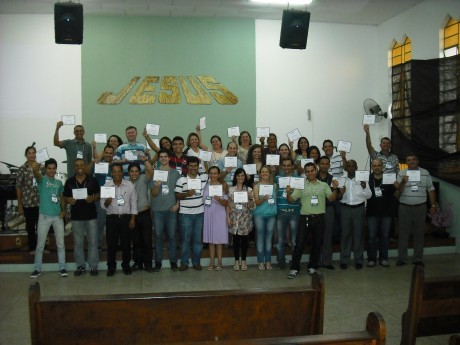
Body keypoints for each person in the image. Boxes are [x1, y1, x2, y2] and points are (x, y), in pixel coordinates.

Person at [286, 162, 339, 278]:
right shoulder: (301, 185)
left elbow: (332, 198)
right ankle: (294, 268)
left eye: (312, 170)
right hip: (304, 218)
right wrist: (288, 192)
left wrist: (335, 189)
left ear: (316, 170)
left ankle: (312, 267)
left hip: (319, 218)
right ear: (305, 173)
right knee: (299, 244)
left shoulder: (324, 185)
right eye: (308, 171)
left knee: (316, 244)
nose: (310, 173)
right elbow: (291, 200)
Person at [396, 153, 436, 267]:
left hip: (420, 207)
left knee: (419, 234)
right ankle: (402, 258)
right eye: (409, 160)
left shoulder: (425, 173)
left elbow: (431, 189)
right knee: (403, 233)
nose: (411, 162)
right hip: (404, 207)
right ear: (406, 162)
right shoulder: (401, 173)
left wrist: (433, 206)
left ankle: (418, 258)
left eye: (413, 159)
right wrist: (403, 182)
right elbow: (398, 192)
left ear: (417, 161)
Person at [30, 158, 67, 278]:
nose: (51, 170)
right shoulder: (41, 180)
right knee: (40, 245)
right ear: (45, 169)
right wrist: (35, 168)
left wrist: (63, 211)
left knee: (60, 244)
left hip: (57, 217)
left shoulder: (59, 183)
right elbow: (36, 174)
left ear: (56, 169)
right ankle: (37, 268)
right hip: (44, 217)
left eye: (53, 168)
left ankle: (62, 268)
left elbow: (61, 197)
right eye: (49, 168)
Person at [63, 159, 100, 276]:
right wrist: (68, 200)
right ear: (74, 167)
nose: (79, 167)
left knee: (93, 242)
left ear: (85, 166)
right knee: (78, 243)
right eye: (77, 165)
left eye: (81, 165)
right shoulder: (69, 181)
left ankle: (93, 266)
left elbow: (99, 195)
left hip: (91, 216)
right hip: (76, 217)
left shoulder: (92, 180)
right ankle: (80, 266)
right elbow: (65, 197)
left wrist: (93, 198)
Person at [100, 163, 137, 276]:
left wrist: (133, 218)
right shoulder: (107, 186)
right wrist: (107, 202)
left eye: (119, 171)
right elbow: (102, 205)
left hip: (126, 218)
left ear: (122, 172)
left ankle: (126, 265)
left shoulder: (129, 185)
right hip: (112, 219)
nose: (117, 174)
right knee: (112, 244)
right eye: (114, 171)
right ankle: (111, 267)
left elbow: (133, 202)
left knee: (126, 244)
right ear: (111, 173)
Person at [175, 156, 208, 271]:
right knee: (185, 240)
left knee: (198, 241)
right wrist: (186, 194)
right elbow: (177, 195)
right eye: (191, 166)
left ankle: (196, 262)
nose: (193, 168)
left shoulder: (203, 178)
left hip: (199, 214)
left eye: (195, 166)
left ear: (198, 167)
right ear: (187, 167)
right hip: (185, 215)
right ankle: (184, 262)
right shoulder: (181, 180)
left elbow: (216, 176)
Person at [149, 149, 180, 272]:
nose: (163, 158)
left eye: (165, 156)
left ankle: (173, 262)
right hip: (157, 210)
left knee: (172, 236)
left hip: (172, 210)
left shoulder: (175, 174)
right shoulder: (154, 173)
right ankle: (158, 262)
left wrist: (177, 204)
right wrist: (156, 186)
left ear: (169, 158)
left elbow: (179, 191)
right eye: (161, 156)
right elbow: (153, 193)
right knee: (158, 236)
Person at [339, 159, 372, 270]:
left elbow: (369, 195)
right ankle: (344, 260)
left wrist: (364, 187)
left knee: (359, 235)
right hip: (345, 209)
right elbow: (338, 197)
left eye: (353, 166)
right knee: (345, 235)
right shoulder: (342, 180)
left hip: (359, 209)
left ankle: (358, 260)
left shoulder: (363, 180)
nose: (351, 168)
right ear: (346, 168)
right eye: (349, 166)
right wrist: (340, 192)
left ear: (356, 167)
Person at [366, 159, 399, 268]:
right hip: (372, 213)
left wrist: (398, 186)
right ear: (372, 166)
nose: (377, 167)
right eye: (374, 165)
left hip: (386, 213)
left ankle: (383, 258)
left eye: (379, 165)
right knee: (372, 237)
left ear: (382, 166)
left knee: (385, 237)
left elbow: (396, 195)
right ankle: (371, 259)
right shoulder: (367, 179)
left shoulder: (389, 179)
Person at [16, 145, 44, 255]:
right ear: (26, 155)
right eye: (29, 153)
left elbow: (45, 182)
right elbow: (18, 187)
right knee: (31, 226)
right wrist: (19, 205)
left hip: (40, 202)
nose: (32, 155)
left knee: (42, 227)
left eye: (33, 153)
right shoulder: (22, 169)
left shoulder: (41, 167)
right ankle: (32, 248)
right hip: (27, 202)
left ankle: (43, 247)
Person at [86, 145, 115, 249]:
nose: (108, 155)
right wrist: (94, 161)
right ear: (104, 153)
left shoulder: (116, 166)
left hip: (114, 199)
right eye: (106, 153)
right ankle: (97, 245)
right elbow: (87, 171)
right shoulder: (98, 165)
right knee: (100, 223)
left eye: (110, 153)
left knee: (114, 225)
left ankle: (113, 246)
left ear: (113, 154)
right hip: (100, 199)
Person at [128, 159, 154, 272]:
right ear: (129, 172)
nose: (134, 173)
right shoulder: (126, 183)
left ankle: (148, 264)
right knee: (136, 241)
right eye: (132, 171)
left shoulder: (144, 178)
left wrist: (146, 161)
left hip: (144, 214)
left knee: (147, 240)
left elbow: (151, 171)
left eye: (136, 171)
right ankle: (138, 263)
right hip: (132, 216)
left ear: (139, 172)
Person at [227, 168, 255, 271]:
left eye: (242, 176)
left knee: (244, 241)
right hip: (234, 218)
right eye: (238, 176)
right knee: (235, 241)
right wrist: (227, 217)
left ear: (245, 177)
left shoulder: (249, 190)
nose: (240, 178)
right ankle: (236, 261)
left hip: (245, 219)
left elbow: (252, 206)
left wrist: (250, 198)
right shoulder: (231, 189)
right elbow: (228, 205)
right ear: (235, 177)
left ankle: (243, 261)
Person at [275, 158, 300, 269]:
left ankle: (294, 263)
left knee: (294, 241)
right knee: (280, 240)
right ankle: (281, 262)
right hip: (281, 212)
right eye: (284, 165)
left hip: (295, 212)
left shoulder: (298, 179)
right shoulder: (277, 178)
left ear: (292, 166)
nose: (286, 167)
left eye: (288, 165)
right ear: (281, 167)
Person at [202, 166, 229, 271]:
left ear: (218, 175)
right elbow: (203, 200)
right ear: (209, 174)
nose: (213, 175)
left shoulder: (223, 186)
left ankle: (220, 262)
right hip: (209, 214)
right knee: (211, 240)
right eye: (211, 173)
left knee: (219, 239)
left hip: (219, 215)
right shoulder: (206, 186)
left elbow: (226, 203)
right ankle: (212, 262)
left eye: (215, 173)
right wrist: (208, 198)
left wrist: (219, 199)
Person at [317, 156, 341, 270]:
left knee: (328, 235)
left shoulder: (333, 179)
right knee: (316, 235)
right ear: (318, 164)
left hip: (329, 208)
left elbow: (338, 197)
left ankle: (326, 261)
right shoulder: (313, 177)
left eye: (327, 164)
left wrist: (339, 190)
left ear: (329, 166)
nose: (324, 165)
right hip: (315, 208)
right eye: (322, 163)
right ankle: (315, 261)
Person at [253, 165, 277, 271]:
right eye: (263, 172)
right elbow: (256, 202)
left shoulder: (274, 186)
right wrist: (264, 199)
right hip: (259, 215)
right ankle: (260, 261)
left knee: (268, 239)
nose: (265, 174)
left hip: (271, 215)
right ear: (260, 174)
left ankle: (268, 261)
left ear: (269, 173)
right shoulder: (256, 186)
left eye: (266, 172)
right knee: (260, 238)